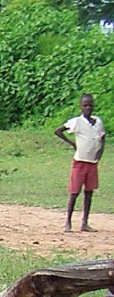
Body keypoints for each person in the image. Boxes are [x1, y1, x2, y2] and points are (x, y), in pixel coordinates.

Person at [56, 93, 105, 233]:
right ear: (81, 107)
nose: (88, 108)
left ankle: (85, 222)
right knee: (74, 192)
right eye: (85, 105)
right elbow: (58, 131)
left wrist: (100, 151)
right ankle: (68, 222)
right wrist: (72, 143)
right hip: (80, 162)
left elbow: (102, 136)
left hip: (92, 163)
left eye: (90, 105)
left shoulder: (98, 122)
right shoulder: (77, 122)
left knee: (89, 192)